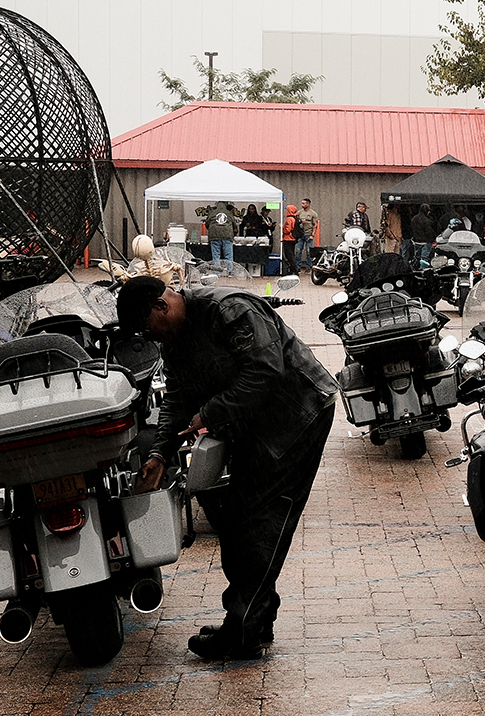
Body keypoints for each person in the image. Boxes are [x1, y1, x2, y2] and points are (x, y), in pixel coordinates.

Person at [119, 276, 336, 661]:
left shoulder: (229, 310)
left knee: (262, 520)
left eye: (147, 329)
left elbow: (265, 370)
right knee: (236, 517)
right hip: (255, 425)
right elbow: (177, 399)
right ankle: (255, 619)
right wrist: (159, 454)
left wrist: (209, 413)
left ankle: (242, 631)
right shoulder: (174, 341)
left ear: (161, 306)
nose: (149, 338)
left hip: (297, 416)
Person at [206, 202, 237, 269]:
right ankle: (229, 271)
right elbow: (234, 225)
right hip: (227, 236)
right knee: (228, 256)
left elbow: (207, 224)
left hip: (214, 236)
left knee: (216, 256)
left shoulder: (212, 213)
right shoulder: (229, 213)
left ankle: (217, 271)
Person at [294, 198, 320, 272]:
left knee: (309, 251)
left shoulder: (313, 214)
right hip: (300, 234)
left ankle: (308, 267)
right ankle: (298, 266)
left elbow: (315, 225)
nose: (302, 205)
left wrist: (312, 235)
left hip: (308, 234)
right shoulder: (299, 213)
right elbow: (295, 221)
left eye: (304, 203)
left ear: (308, 204)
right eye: (302, 203)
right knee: (298, 250)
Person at [281, 204, 299, 275]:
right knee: (291, 254)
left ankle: (294, 270)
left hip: (288, 239)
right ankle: (293, 269)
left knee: (289, 255)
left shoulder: (289, 219)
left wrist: (282, 228)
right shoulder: (295, 218)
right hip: (293, 239)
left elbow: (287, 230)